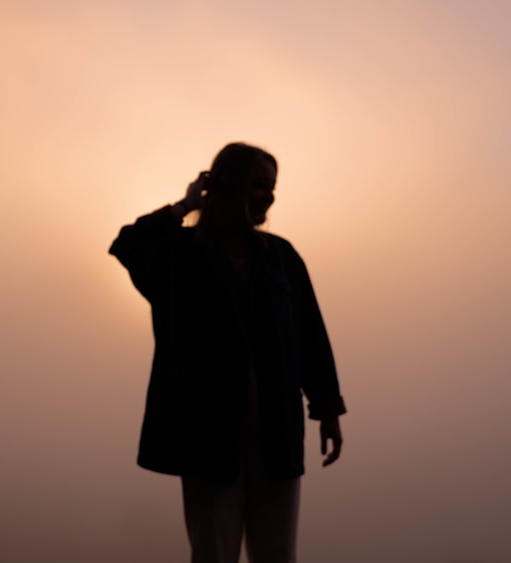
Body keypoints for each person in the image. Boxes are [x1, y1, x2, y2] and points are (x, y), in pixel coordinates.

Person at [109, 142, 346, 563]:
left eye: (272, 188)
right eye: (258, 185)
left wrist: (328, 409)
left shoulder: (282, 258)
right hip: (207, 437)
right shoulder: (180, 256)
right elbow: (128, 244)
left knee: (277, 556)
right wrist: (184, 204)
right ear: (227, 184)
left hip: (277, 435)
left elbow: (310, 335)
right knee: (213, 553)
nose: (268, 197)